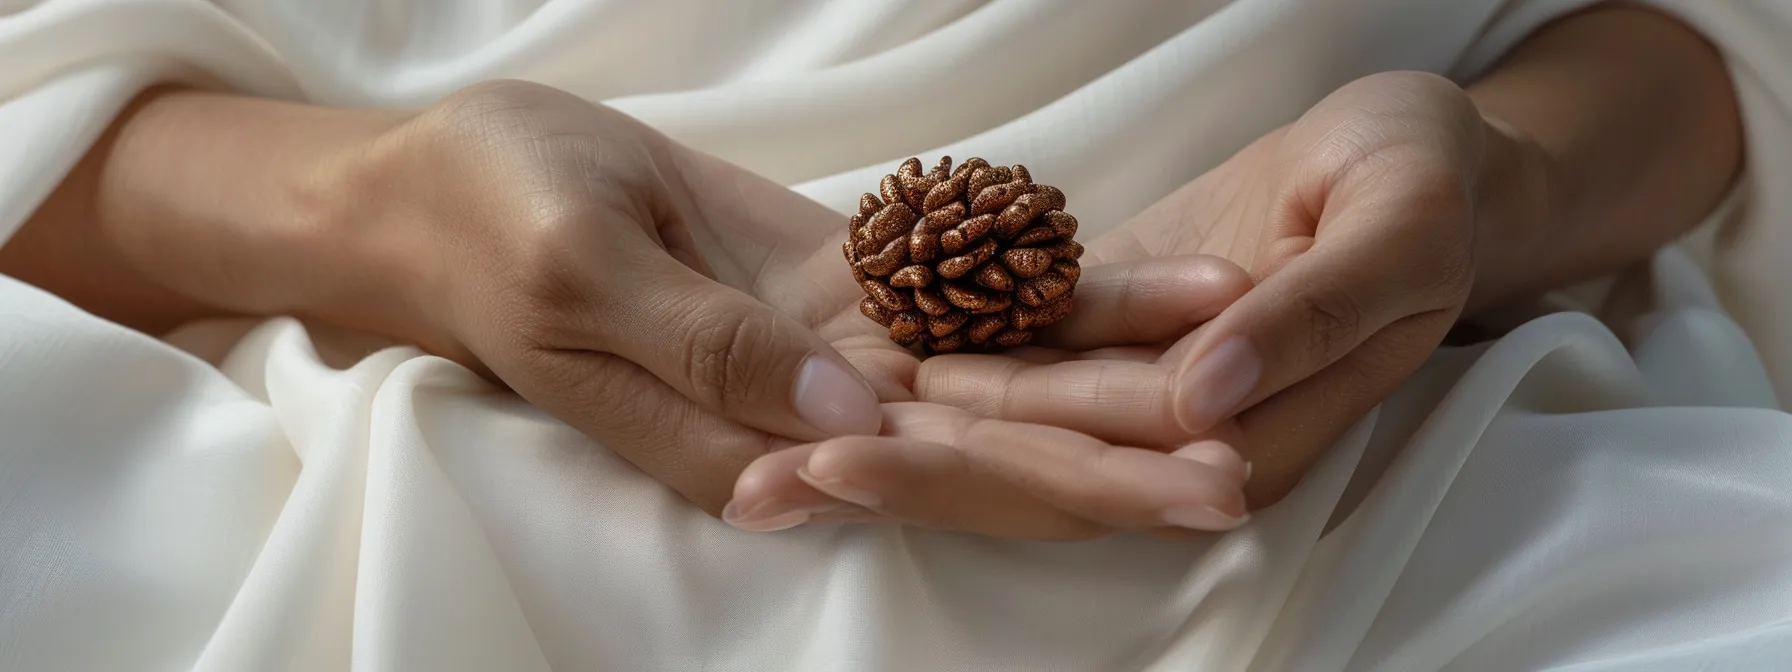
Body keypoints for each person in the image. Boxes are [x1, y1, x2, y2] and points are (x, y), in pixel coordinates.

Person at [2, 0, 1790, 669]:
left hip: (1442, 446)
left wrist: (1506, 176)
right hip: (339, 424)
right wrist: (376, 206)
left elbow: (1709, 52)